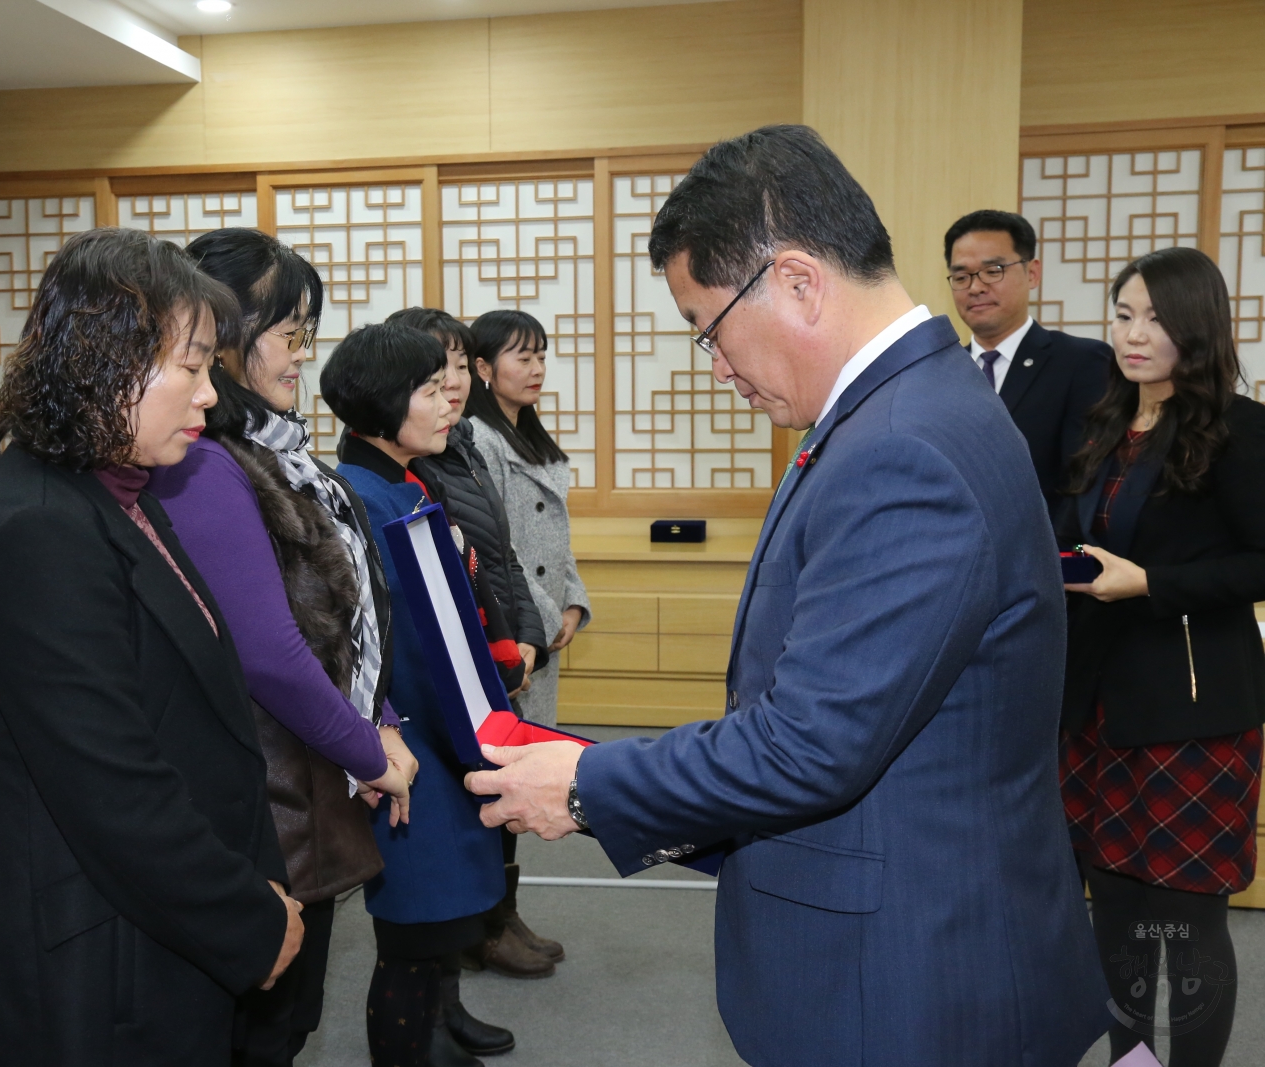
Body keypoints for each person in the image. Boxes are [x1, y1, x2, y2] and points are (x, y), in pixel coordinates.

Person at [463, 124, 1109, 1067]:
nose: (716, 367)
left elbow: (810, 744)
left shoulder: (903, 446)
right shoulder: (907, 408)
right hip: (913, 924)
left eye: (709, 329)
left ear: (799, 280)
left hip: (903, 977)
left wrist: (588, 783)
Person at [0, 228, 303, 1067]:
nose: (209, 396)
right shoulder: (36, 528)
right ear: (106, 359)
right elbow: (113, 787)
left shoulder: (121, 493)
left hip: (158, 935)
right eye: (193, 365)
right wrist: (245, 917)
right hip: (94, 966)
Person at [145, 228, 419, 1067]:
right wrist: (368, 749)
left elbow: (347, 618)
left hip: (309, 778)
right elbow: (267, 649)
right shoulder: (208, 465)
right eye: (290, 335)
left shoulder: (280, 454)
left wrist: (386, 721)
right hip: (265, 796)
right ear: (223, 339)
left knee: (287, 1017)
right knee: (262, 1027)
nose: (304, 356)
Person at [1056, 246, 1265, 1067]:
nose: (1134, 334)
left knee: (1188, 915)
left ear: (1197, 327)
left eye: (1156, 318)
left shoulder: (1241, 428)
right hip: (1098, 702)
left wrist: (1153, 582)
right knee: (1114, 904)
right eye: (1122, 314)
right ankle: (1132, 1060)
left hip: (1192, 707)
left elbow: (1260, 559)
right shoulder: (1107, 420)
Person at [322, 322, 511, 1067]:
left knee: (439, 922)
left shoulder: (401, 483)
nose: (450, 403)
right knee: (410, 931)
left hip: (448, 733)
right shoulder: (360, 498)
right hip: (413, 742)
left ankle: (437, 1032)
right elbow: (381, 648)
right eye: (430, 390)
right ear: (379, 402)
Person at [392, 306, 563, 983]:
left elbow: (502, 557)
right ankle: (485, 927)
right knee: (476, 797)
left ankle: (497, 916)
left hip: (505, 644)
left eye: (460, 366)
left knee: (503, 790)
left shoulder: (460, 441)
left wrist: (523, 634)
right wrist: (500, 645)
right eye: (439, 372)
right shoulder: (426, 457)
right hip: (467, 660)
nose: (455, 381)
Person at [466, 310, 591, 728]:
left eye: (541, 357)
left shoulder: (526, 432)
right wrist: (547, 615)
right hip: (516, 621)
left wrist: (572, 603)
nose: (537, 369)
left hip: (542, 620)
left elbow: (556, 535)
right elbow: (498, 545)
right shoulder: (479, 437)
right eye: (523, 358)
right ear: (483, 367)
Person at [945, 209, 1112, 513]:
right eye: (961, 276)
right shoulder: (939, 373)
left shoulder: (1081, 362)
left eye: (993, 270)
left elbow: (1083, 484)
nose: (976, 286)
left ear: (1032, 273)